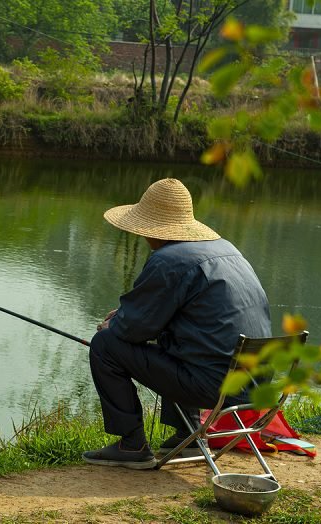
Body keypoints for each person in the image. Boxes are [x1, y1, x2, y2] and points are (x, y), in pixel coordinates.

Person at [82, 178, 271, 469]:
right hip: (256, 384)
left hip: (215, 387)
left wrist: (114, 323)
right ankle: (191, 436)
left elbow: (132, 330)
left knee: (105, 346)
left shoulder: (167, 260)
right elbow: (178, 316)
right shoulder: (226, 249)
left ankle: (131, 445)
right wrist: (127, 316)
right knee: (180, 340)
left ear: (149, 230)